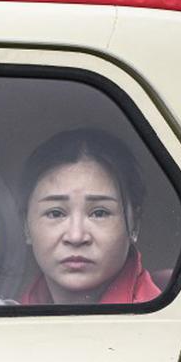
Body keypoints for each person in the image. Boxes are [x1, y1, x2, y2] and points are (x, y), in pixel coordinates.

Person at [18, 128, 160, 305]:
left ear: (134, 224)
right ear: (26, 226)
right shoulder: (12, 312)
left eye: (99, 213)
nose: (76, 236)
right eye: (55, 213)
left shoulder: (156, 322)